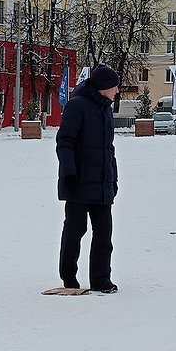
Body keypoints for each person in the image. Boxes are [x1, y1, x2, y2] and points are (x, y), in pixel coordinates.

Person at [56, 64, 121, 293]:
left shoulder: (106, 110)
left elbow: (108, 149)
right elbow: (64, 142)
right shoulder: (77, 106)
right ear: (104, 87)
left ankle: (101, 280)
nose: (117, 91)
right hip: (78, 182)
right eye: (114, 86)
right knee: (75, 231)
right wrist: (69, 172)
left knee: (104, 234)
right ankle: (68, 276)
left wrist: (113, 179)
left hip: (102, 183)